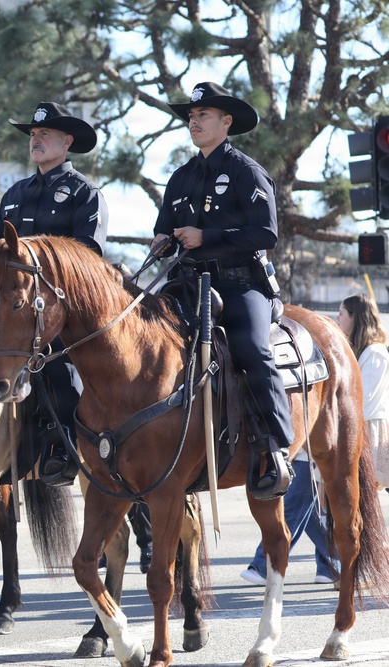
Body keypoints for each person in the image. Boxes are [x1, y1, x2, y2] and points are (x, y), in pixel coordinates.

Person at [151, 82, 293, 499]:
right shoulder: (180, 177)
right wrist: (161, 242)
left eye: (203, 115)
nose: (194, 122)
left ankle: (276, 446)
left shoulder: (247, 171)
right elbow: (164, 230)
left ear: (226, 122)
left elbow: (266, 233)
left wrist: (206, 237)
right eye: (191, 117)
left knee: (253, 350)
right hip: (186, 286)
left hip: (239, 284)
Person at [0, 101, 109, 486]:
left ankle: (64, 445)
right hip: (16, 305)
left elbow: (88, 258)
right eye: (33, 134)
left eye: (45, 134)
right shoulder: (16, 192)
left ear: (67, 141)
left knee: (56, 361)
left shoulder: (84, 192)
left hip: (64, 311)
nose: (35, 139)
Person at [240, 449, 340, 587]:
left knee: (295, 503)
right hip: (296, 450)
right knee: (305, 506)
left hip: (309, 449)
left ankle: (265, 565)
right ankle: (332, 564)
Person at [337, 293, 389, 489]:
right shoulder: (358, 350)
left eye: (341, 313)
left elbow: (365, 401)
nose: (337, 318)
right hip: (356, 428)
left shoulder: (374, 353)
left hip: (367, 432)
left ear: (355, 317)